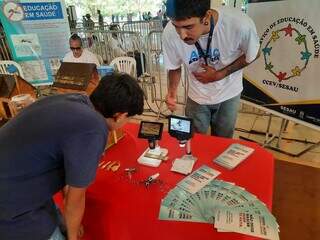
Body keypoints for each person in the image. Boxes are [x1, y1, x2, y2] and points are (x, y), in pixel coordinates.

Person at [0, 72, 144, 240]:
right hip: (11, 206)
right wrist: (72, 236)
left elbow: (65, 169)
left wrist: (70, 223)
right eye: (129, 118)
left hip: (19, 181)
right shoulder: (93, 129)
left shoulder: (76, 100)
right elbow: (76, 198)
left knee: (61, 220)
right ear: (119, 115)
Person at [163, 0, 260, 138]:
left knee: (222, 141)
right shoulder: (169, 33)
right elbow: (174, 66)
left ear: (207, 16)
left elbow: (254, 53)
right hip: (197, 96)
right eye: (176, 26)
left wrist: (219, 75)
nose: (182, 35)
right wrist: (171, 92)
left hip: (228, 94)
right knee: (194, 140)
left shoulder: (239, 24)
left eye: (189, 27)